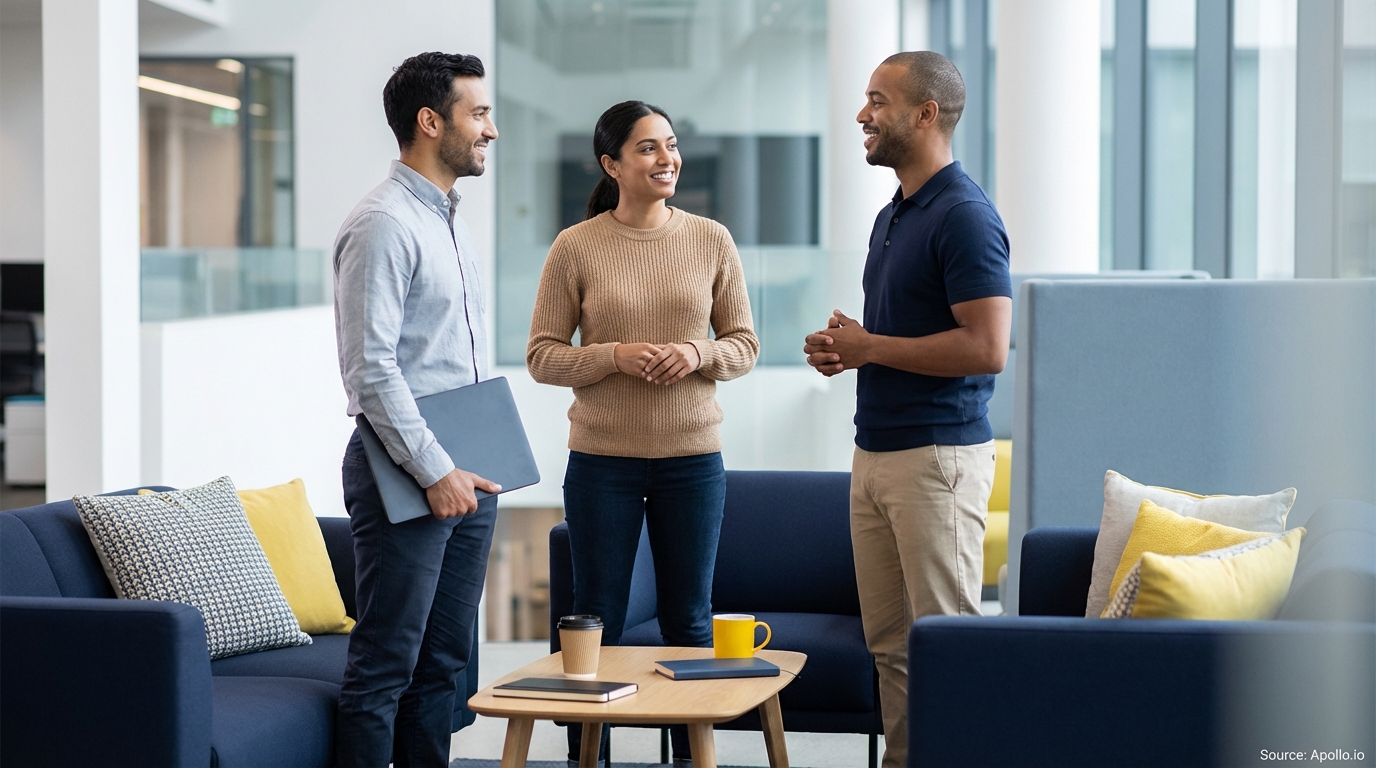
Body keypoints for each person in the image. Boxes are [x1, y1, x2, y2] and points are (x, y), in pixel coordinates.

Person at [526, 100, 759, 765]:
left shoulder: (710, 238)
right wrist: (613, 356)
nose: (668, 159)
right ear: (612, 164)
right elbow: (543, 354)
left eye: (672, 145)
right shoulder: (576, 246)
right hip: (602, 462)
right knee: (594, 618)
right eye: (649, 148)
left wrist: (696, 353)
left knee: (690, 618)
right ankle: (587, 757)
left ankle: (690, 757)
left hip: (693, 461)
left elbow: (744, 344)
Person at [803, 51, 1012, 768]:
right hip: (878, 455)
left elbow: (987, 348)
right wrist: (849, 349)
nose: (863, 113)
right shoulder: (896, 212)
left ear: (925, 114)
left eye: (877, 100)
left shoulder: (965, 215)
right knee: (891, 650)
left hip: (937, 460)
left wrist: (871, 348)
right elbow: (899, 337)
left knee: (946, 647)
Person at [332, 52, 500, 768]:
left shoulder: (449, 220)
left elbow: (451, 356)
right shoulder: (382, 223)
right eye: (479, 113)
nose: (491, 130)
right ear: (431, 122)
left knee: (444, 670)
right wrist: (435, 470)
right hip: (408, 470)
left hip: (472, 466)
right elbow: (371, 371)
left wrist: (477, 461)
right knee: (384, 669)